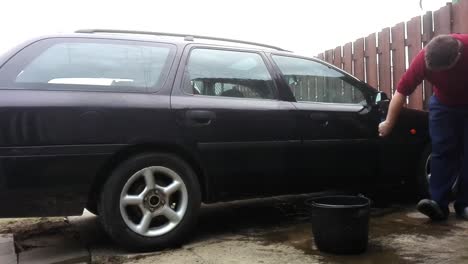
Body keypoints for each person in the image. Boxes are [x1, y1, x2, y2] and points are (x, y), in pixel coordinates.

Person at [379, 33, 468, 221]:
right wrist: (388, 122)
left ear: (458, 56)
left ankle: (465, 204)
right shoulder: (423, 59)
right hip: (444, 104)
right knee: (442, 150)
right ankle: (438, 203)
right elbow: (401, 93)